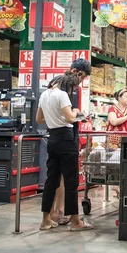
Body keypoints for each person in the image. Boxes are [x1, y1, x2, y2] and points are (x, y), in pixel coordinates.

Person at [36, 73, 93, 231]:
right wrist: (76, 112)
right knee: (71, 181)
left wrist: (54, 117)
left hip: (52, 139)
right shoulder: (62, 95)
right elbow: (69, 118)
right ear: (68, 86)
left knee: (51, 180)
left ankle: (45, 220)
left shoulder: (44, 94)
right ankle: (75, 221)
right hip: (66, 140)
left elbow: (39, 119)